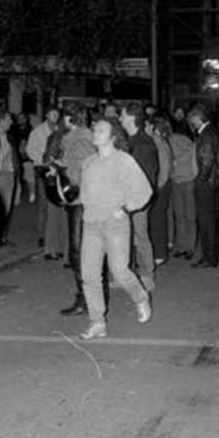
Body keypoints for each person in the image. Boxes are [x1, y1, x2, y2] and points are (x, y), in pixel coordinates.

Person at [76, 118, 153, 339]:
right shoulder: (89, 161)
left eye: (101, 130)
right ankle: (97, 321)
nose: (95, 132)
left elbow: (144, 191)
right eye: (95, 129)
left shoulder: (123, 160)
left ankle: (140, 297)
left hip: (114, 224)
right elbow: (84, 193)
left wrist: (126, 209)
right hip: (91, 224)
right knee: (89, 275)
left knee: (119, 271)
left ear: (113, 137)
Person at [57, 104, 96, 316]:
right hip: (78, 201)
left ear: (71, 120)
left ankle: (85, 299)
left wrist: (65, 175)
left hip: (81, 202)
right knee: (79, 252)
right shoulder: (77, 141)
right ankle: (86, 298)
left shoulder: (81, 143)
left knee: (78, 251)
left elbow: (86, 172)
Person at [119, 102, 159, 290]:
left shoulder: (144, 143)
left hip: (138, 198)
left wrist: (139, 201)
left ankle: (147, 274)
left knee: (140, 235)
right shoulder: (128, 140)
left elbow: (147, 175)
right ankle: (127, 275)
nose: (120, 118)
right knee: (124, 236)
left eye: (122, 115)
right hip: (125, 196)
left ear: (131, 118)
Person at [188, 103, 219, 268]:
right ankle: (209, 255)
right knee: (210, 220)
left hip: (207, 184)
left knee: (207, 222)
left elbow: (207, 161)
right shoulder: (211, 132)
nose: (191, 121)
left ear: (199, 117)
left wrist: (199, 181)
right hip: (212, 182)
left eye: (192, 118)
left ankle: (209, 257)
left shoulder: (207, 135)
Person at [28, 106, 63, 258]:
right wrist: (42, 159)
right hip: (43, 168)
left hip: (56, 169)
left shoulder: (60, 130)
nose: (54, 116)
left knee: (55, 203)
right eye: (52, 113)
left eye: (57, 114)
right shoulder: (37, 132)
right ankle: (42, 234)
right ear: (47, 114)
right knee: (43, 202)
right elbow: (30, 150)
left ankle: (54, 236)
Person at [165, 116, 197, 259]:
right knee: (183, 215)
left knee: (185, 215)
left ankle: (186, 246)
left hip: (184, 180)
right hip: (181, 180)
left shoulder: (175, 139)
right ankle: (184, 246)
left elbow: (191, 152)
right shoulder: (180, 139)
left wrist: (175, 162)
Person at [0, 110, 20, 246]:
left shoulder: (9, 137)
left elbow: (14, 157)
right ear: (1, 120)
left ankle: (2, 237)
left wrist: (17, 175)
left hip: (9, 175)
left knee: (7, 208)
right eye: (9, 119)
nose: (12, 122)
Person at [148, 116, 173, 265]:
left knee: (157, 219)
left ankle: (160, 253)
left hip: (161, 186)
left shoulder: (157, 141)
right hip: (164, 184)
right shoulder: (163, 141)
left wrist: (158, 186)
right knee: (159, 218)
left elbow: (163, 166)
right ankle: (160, 251)